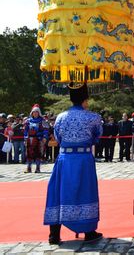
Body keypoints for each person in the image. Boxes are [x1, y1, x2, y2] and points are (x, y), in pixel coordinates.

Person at [44, 83, 103, 245]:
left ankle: (54, 235)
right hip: (84, 159)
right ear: (85, 99)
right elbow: (97, 137)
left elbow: (58, 138)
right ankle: (89, 232)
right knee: (85, 191)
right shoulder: (93, 117)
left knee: (57, 193)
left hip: (65, 159)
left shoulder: (61, 117)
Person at [24, 104, 49, 173]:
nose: (35, 113)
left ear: (39, 113)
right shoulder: (28, 121)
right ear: (32, 113)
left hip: (39, 139)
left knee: (38, 153)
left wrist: (44, 137)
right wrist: (25, 138)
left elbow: (46, 130)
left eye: (36, 112)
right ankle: (28, 168)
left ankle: (37, 168)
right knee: (29, 153)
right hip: (29, 139)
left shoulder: (42, 121)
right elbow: (25, 130)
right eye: (34, 112)